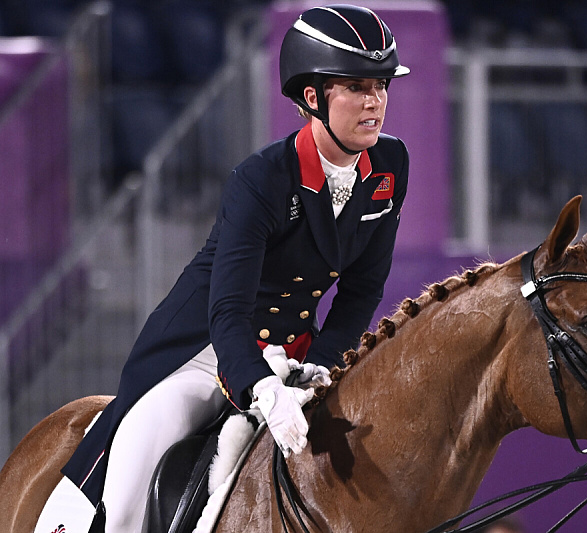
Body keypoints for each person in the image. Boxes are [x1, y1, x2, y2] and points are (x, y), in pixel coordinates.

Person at [61, 4, 410, 531]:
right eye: (357, 86)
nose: (376, 101)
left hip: (296, 350)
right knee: (134, 468)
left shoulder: (390, 164)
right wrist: (260, 388)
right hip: (206, 348)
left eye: (382, 85)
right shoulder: (261, 180)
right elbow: (228, 309)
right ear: (312, 97)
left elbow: (363, 289)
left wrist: (320, 363)